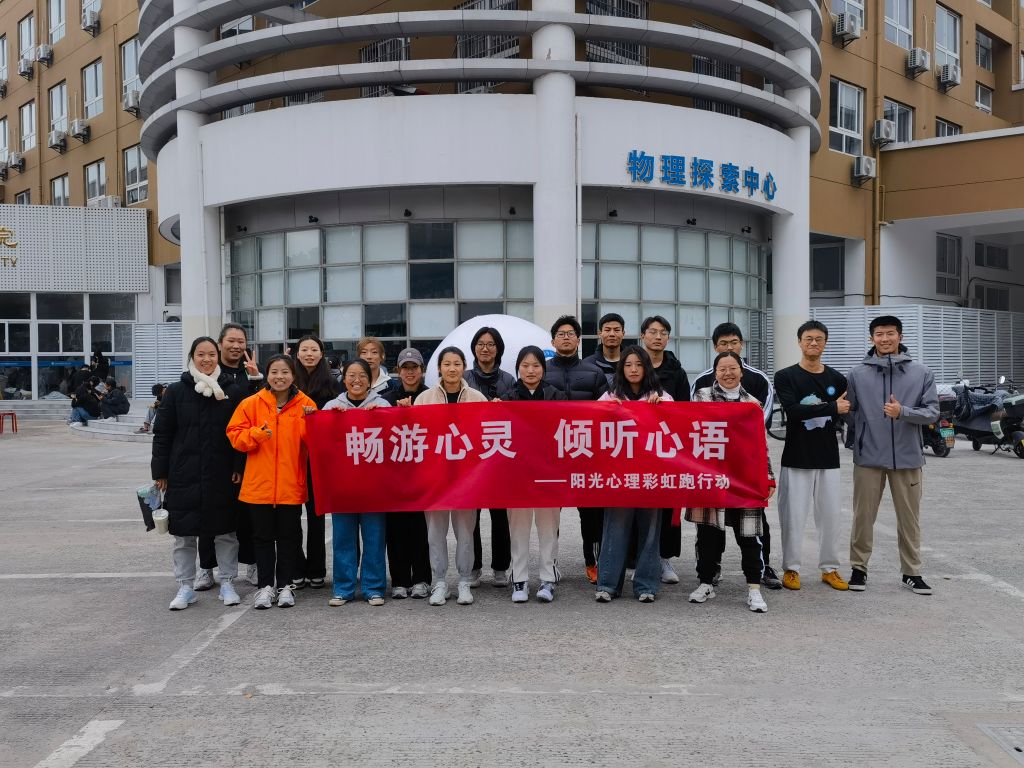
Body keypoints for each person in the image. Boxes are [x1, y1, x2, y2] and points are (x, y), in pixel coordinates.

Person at [845, 315, 938, 595]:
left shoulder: (921, 372)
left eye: (890, 333)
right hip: (868, 457)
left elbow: (932, 412)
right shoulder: (857, 374)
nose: (885, 339)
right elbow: (850, 413)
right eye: (879, 334)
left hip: (908, 457)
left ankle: (912, 572)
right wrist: (859, 435)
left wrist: (903, 412)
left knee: (909, 518)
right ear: (871, 338)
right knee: (863, 517)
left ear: (900, 336)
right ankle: (859, 569)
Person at [152, 337, 244, 611]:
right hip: (184, 473)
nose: (206, 359)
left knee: (226, 531)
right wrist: (160, 471)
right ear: (192, 357)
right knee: (184, 534)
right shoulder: (176, 391)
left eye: (211, 354)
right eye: (201, 354)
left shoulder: (231, 390)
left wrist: (239, 466)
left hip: (222, 473)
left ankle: (227, 582)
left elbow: (240, 432)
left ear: (218, 356)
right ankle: (185, 586)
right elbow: (162, 434)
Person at [690, 322, 780, 590]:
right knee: (709, 522)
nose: (729, 347)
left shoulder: (758, 381)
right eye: (723, 343)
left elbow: (760, 422)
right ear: (714, 347)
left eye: (733, 342)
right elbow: (691, 421)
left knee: (754, 523)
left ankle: (762, 569)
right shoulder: (702, 383)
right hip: (712, 465)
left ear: (742, 345)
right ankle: (710, 571)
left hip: (745, 466)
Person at [227, 354, 316, 609]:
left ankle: (285, 585)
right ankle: (265, 587)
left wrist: (311, 421)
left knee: (289, 538)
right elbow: (234, 435)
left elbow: (315, 442)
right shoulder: (251, 403)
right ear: (267, 375)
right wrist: (257, 434)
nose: (279, 377)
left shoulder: (306, 404)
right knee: (262, 538)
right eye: (274, 372)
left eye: (285, 372)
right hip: (259, 485)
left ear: (293, 375)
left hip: (290, 484)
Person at [774, 320, 850, 592]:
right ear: (799, 342)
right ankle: (791, 568)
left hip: (828, 457)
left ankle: (829, 568)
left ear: (825, 343)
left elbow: (845, 411)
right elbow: (793, 411)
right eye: (808, 338)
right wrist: (831, 407)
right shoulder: (785, 376)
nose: (813, 343)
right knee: (793, 516)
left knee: (830, 517)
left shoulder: (837, 379)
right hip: (797, 456)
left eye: (819, 339)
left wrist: (835, 409)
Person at [594, 346, 673, 603]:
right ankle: (608, 584)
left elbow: (677, 426)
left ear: (647, 367)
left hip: (651, 477)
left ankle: (646, 585)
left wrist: (662, 408)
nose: (634, 369)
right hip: (619, 477)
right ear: (621, 369)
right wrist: (606, 409)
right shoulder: (610, 396)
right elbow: (590, 421)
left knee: (650, 531)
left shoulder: (662, 396)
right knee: (614, 529)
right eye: (628, 365)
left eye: (639, 364)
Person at [414, 347, 488, 606]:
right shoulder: (424, 399)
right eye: (447, 364)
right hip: (435, 479)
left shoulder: (477, 398)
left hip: (466, 479)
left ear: (464, 366)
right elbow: (416, 435)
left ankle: (465, 580)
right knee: (435, 532)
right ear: (439, 368)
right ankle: (440, 582)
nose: (452, 368)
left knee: (466, 532)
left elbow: (486, 434)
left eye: (457, 363)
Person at [195, 323, 263, 592]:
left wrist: (257, 380)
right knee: (209, 513)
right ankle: (206, 567)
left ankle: (252, 563)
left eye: (241, 341)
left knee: (248, 514)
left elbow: (261, 410)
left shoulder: (252, 374)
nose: (236, 346)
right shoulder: (209, 374)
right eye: (231, 341)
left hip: (247, 454)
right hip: (213, 455)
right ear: (220, 343)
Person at [543, 315, 608, 583]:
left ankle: (593, 563)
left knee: (591, 514)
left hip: (586, 453)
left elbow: (607, 412)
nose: (566, 337)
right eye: (561, 334)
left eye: (571, 333)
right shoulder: (542, 371)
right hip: (552, 454)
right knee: (550, 514)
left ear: (578, 340)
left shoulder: (594, 372)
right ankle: (550, 563)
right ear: (553, 341)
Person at [322, 359, 390, 606]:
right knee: (343, 538)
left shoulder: (383, 405)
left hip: (374, 487)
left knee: (374, 538)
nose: (357, 380)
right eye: (351, 375)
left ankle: (374, 587)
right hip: (342, 486)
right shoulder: (332, 406)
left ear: (370, 380)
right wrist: (327, 420)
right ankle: (343, 588)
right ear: (344, 379)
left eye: (362, 375)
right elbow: (321, 443)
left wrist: (380, 418)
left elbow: (393, 442)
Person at [502, 345, 566, 603]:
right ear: (518, 368)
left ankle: (548, 579)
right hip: (516, 474)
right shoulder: (506, 398)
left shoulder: (557, 396)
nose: (530, 370)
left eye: (536, 365)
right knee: (518, 528)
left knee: (548, 527)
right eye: (525, 365)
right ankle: (519, 579)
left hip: (548, 473)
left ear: (543, 368)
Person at [639, 314, 691, 585]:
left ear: (668, 338)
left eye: (663, 333)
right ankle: (636, 558)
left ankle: (665, 558)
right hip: (636, 448)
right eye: (652, 331)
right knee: (637, 504)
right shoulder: (633, 366)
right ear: (643, 336)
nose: (657, 336)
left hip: (668, 448)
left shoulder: (677, 372)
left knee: (667, 503)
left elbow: (685, 411)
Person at [463, 326, 515, 589]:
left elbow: (516, 415)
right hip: (470, 456)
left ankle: (500, 567)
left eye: (491, 344)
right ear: (474, 348)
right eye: (481, 344)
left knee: (500, 515)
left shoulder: (509, 380)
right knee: (471, 515)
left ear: (498, 349)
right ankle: (473, 567)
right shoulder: (463, 378)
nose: (485, 348)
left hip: (498, 455)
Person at [382, 348, 432, 599]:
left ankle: (422, 579)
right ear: (398, 371)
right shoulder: (386, 399)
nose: (410, 372)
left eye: (414, 368)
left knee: (421, 529)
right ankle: (400, 580)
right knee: (396, 529)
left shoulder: (430, 397)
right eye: (405, 368)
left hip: (423, 474)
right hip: (394, 475)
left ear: (422, 370)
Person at [291, 334, 339, 590]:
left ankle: (317, 569)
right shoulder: (288, 380)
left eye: (314, 349)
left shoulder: (332, 385)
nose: (309, 354)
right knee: (290, 516)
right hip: (291, 456)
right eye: (304, 349)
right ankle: (296, 568)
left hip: (319, 459)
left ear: (321, 354)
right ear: (296, 353)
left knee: (316, 515)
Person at [583, 312, 625, 387]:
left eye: (616, 330)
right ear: (600, 333)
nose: (612, 334)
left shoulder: (633, 363)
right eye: (607, 330)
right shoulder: (587, 364)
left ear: (623, 334)